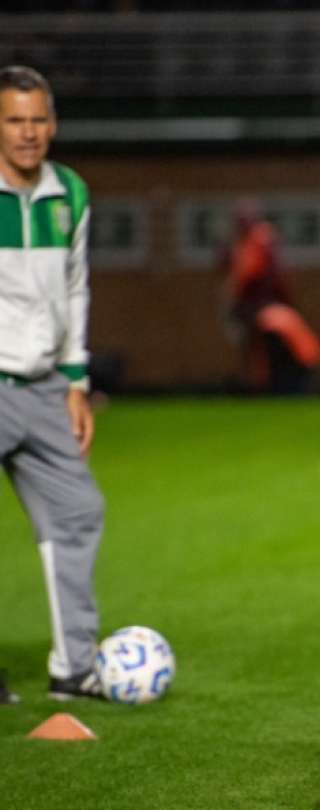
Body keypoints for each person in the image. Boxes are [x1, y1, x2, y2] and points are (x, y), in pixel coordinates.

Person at [0, 65, 105, 700]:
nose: (28, 132)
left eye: (38, 119)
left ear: (54, 124)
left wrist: (75, 380)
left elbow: (75, 286)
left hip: (43, 390)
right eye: (15, 120)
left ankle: (75, 668)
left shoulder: (71, 192)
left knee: (78, 510)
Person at [218, 200, 320, 394]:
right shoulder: (251, 243)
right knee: (258, 347)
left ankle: (263, 384)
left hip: (265, 313)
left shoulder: (257, 240)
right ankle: (260, 383)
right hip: (264, 311)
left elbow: (250, 276)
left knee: (261, 347)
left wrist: (238, 303)